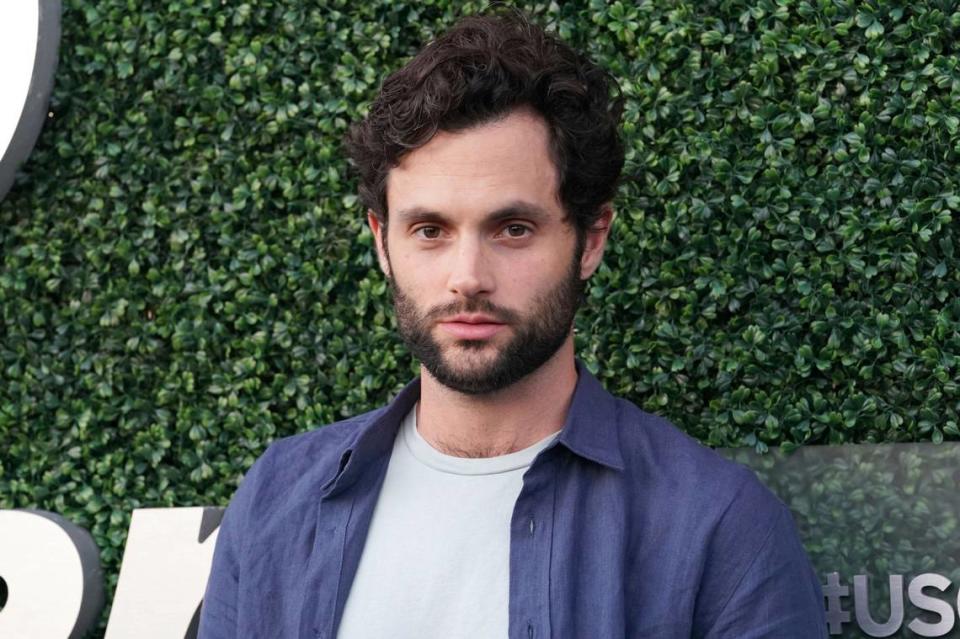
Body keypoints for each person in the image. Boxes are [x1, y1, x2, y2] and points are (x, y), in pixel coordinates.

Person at [200, 10, 827, 638]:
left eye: (513, 229)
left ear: (590, 240)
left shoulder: (718, 528)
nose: (468, 275)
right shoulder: (276, 499)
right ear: (382, 243)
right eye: (430, 231)